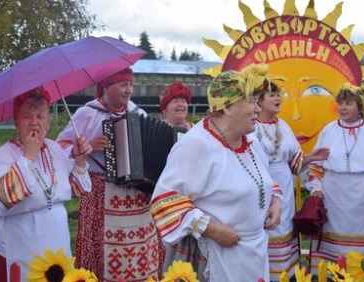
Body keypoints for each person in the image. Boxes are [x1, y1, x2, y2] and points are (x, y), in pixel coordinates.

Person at [150, 64, 282, 282]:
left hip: (253, 254)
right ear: (228, 106)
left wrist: (274, 200)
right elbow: (164, 202)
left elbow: (262, 177)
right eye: (251, 101)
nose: (258, 109)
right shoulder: (197, 145)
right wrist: (211, 230)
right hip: (215, 255)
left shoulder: (250, 141)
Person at [56, 67, 162, 281]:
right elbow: (61, 145)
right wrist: (89, 147)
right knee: (99, 255)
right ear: (105, 87)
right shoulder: (87, 113)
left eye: (131, 85)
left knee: (138, 255)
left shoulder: (138, 114)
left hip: (136, 198)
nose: (129, 90)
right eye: (123, 85)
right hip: (98, 195)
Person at [0, 88, 92, 282]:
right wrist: (28, 155)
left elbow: (76, 189)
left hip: (56, 240)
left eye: (40, 116)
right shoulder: (5, 154)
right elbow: (5, 198)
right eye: (27, 116)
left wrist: (81, 160)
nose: (35, 122)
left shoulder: (54, 148)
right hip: (21, 240)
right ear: (16, 122)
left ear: (48, 122)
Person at [254, 81, 329, 281]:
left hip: (284, 187)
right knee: (265, 226)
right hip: (260, 184)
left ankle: (284, 275)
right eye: (271, 95)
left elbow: (294, 161)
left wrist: (310, 158)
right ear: (258, 101)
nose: (277, 98)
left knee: (284, 224)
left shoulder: (283, 125)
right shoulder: (251, 127)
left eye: (278, 95)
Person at [306, 82, 364, 274]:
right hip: (333, 197)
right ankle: (329, 274)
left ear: (360, 106)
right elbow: (316, 164)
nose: (342, 107)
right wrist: (316, 188)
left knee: (362, 255)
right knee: (332, 255)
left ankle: (363, 273)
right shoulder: (328, 130)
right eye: (340, 103)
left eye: (348, 103)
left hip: (363, 199)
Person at [158, 81, 207, 279]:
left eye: (184, 101)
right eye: (175, 100)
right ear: (165, 107)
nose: (181, 105)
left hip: (189, 201)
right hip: (164, 201)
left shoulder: (199, 133)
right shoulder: (156, 130)